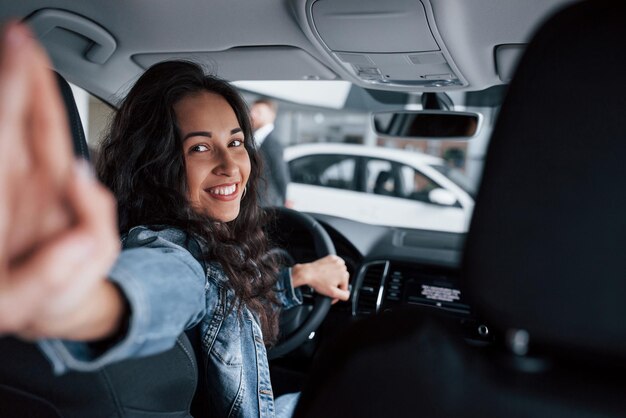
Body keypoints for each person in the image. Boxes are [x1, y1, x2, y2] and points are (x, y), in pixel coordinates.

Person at [0, 22, 121, 343]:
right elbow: (150, 290)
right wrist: (71, 304)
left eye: (237, 142)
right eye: (200, 147)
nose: (228, 165)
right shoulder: (164, 246)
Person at [250, 98, 292, 207]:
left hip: (266, 204)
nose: (252, 115)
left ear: (271, 115)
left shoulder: (273, 144)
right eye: (252, 111)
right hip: (256, 203)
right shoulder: (253, 139)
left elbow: (280, 175)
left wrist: (284, 200)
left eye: (258, 112)